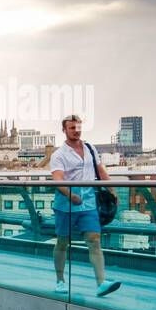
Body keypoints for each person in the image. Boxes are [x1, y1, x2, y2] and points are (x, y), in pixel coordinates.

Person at [50, 114, 121, 298]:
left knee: (94, 240)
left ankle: (101, 283)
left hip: (89, 203)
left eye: (78, 127)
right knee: (62, 242)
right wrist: (71, 195)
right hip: (66, 205)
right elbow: (57, 179)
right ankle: (60, 280)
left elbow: (100, 170)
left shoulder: (90, 148)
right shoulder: (59, 155)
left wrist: (112, 190)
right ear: (64, 130)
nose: (76, 130)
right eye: (72, 128)